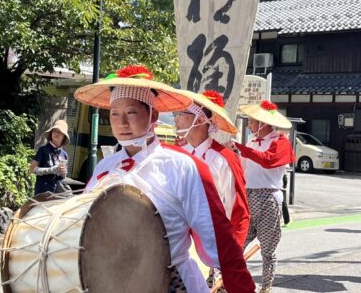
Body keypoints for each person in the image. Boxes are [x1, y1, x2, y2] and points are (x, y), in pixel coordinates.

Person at [75, 65, 255, 293]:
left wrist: (241, 287)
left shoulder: (181, 166)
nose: (122, 122)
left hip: (170, 280)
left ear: (153, 115)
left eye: (131, 113)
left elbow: (219, 239)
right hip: (112, 282)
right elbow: (81, 225)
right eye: (114, 114)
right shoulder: (105, 167)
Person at [229, 100, 295, 293]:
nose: (249, 125)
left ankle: (266, 287)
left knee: (268, 249)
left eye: (251, 122)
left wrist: (243, 150)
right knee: (238, 243)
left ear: (263, 123)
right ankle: (236, 283)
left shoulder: (280, 141)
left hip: (269, 197)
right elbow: (243, 168)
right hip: (248, 195)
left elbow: (269, 161)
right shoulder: (251, 141)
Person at [173, 89, 249, 247]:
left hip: (211, 242)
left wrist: (233, 252)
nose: (176, 119)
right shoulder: (176, 154)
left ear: (200, 120)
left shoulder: (225, 158)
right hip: (177, 241)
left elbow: (237, 211)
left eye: (181, 113)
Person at [29, 120, 70, 195]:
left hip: (56, 195)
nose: (56, 133)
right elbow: (32, 169)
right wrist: (51, 170)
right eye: (54, 131)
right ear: (51, 133)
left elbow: (63, 177)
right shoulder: (43, 150)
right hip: (42, 192)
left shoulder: (64, 155)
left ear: (64, 136)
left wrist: (63, 173)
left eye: (60, 132)